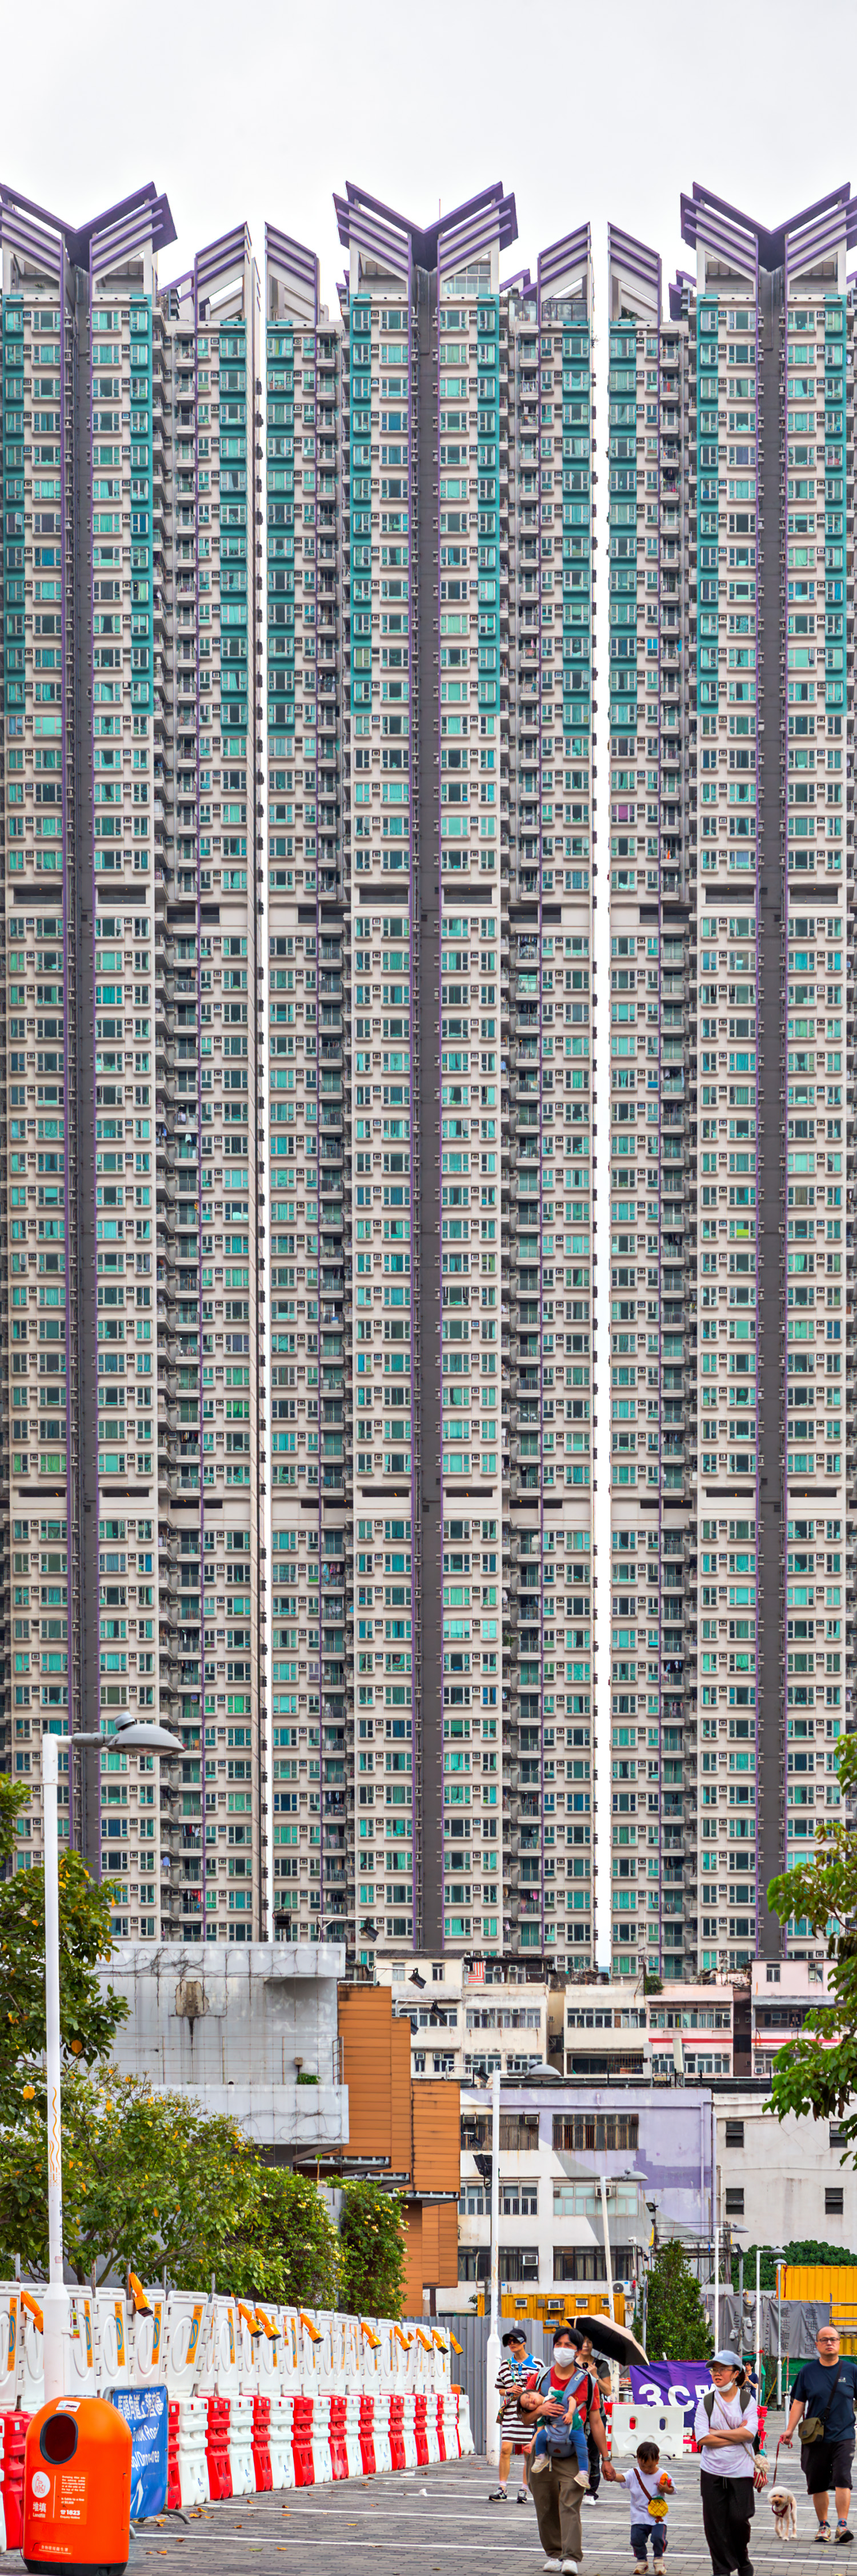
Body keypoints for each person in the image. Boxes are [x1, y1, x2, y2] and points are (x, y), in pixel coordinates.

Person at [520, 2322, 614, 2575]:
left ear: (577, 2351)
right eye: (558, 2344)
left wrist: (606, 2459)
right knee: (545, 2504)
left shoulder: (587, 2382)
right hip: (543, 2451)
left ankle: (571, 2556)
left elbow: (596, 2421)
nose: (562, 2349)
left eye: (568, 2345)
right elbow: (524, 2418)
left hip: (574, 2453)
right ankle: (554, 2553)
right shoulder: (539, 2378)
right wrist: (540, 2410)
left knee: (570, 2502)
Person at [783, 2321, 857, 2545]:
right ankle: (823, 2525)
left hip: (844, 2434)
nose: (829, 2343)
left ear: (839, 2343)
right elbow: (798, 2403)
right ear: (817, 2344)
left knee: (843, 2479)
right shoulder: (807, 2372)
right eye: (824, 2340)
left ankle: (842, 2525)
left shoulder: (852, 2370)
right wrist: (788, 2430)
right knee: (818, 2482)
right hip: (815, 2437)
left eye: (833, 2339)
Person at [694, 2348, 759, 2576]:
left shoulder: (746, 2400)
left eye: (722, 2369)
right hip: (711, 2470)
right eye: (714, 2369)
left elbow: (750, 2434)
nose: (717, 2373)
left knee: (740, 2519)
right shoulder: (707, 2402)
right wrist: (735, 2434)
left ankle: (742, 2558)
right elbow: (702, 2438)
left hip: (741, 2470)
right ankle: (721, 2569)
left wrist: (718, 2434)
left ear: (735, 2373)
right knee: (714, 2524)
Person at [491, 2325, 540, 2503]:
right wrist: (509, 2390)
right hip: (511, 2411)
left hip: (530, 2412)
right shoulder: (505, 2365)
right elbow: (500, 2390)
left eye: (515, 2341)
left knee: (528, 2452)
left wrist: (528, 2393)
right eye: (509, 2342)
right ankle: (502, 2487)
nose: (512, 2344)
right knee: (505, 2450)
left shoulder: (538, 2364)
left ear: (524, 2342)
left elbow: (541, 2389)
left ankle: (524, 2489)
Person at [618, 2439, 675, 2574]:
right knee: (636, 2539)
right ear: (638, 2460)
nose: (646, 2470)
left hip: (658, 2517)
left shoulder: (663, 2474)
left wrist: (666, 2489)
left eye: (650, 2467)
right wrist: (613, 2476)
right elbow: (623, 2478)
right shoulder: (634, 2473)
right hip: (639, 2516)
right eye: (643, 2466)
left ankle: (659, 2560)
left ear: (657, 2461)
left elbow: (673, 2489)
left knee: (658, 2538)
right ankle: (642, 2561)